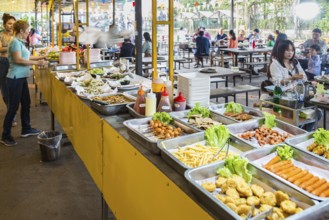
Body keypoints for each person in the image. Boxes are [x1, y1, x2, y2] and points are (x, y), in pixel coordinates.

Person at [1, 20, 48, 146]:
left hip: (21, 78)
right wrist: (37, 63)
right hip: (15, 78)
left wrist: (41, 58)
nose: (28, 32)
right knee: (13, 107)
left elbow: (26, 57)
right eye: (27, 30)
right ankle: (5, 135)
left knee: (26, 103)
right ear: (21, 31)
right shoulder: (15, 42)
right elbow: (18, 59)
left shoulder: (19, 42)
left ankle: (26, 129)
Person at [0, 14, 17, 127]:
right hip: (3, 63)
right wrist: (12, 46)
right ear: (4, 24)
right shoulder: (1, 35)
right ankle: (11, 115)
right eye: (9, 23)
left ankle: (12, 112)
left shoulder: (16, 35)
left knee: (14, 89)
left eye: (13, 24)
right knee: (5, 89)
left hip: (15, 64)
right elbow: (0, 49)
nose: (11, 26)